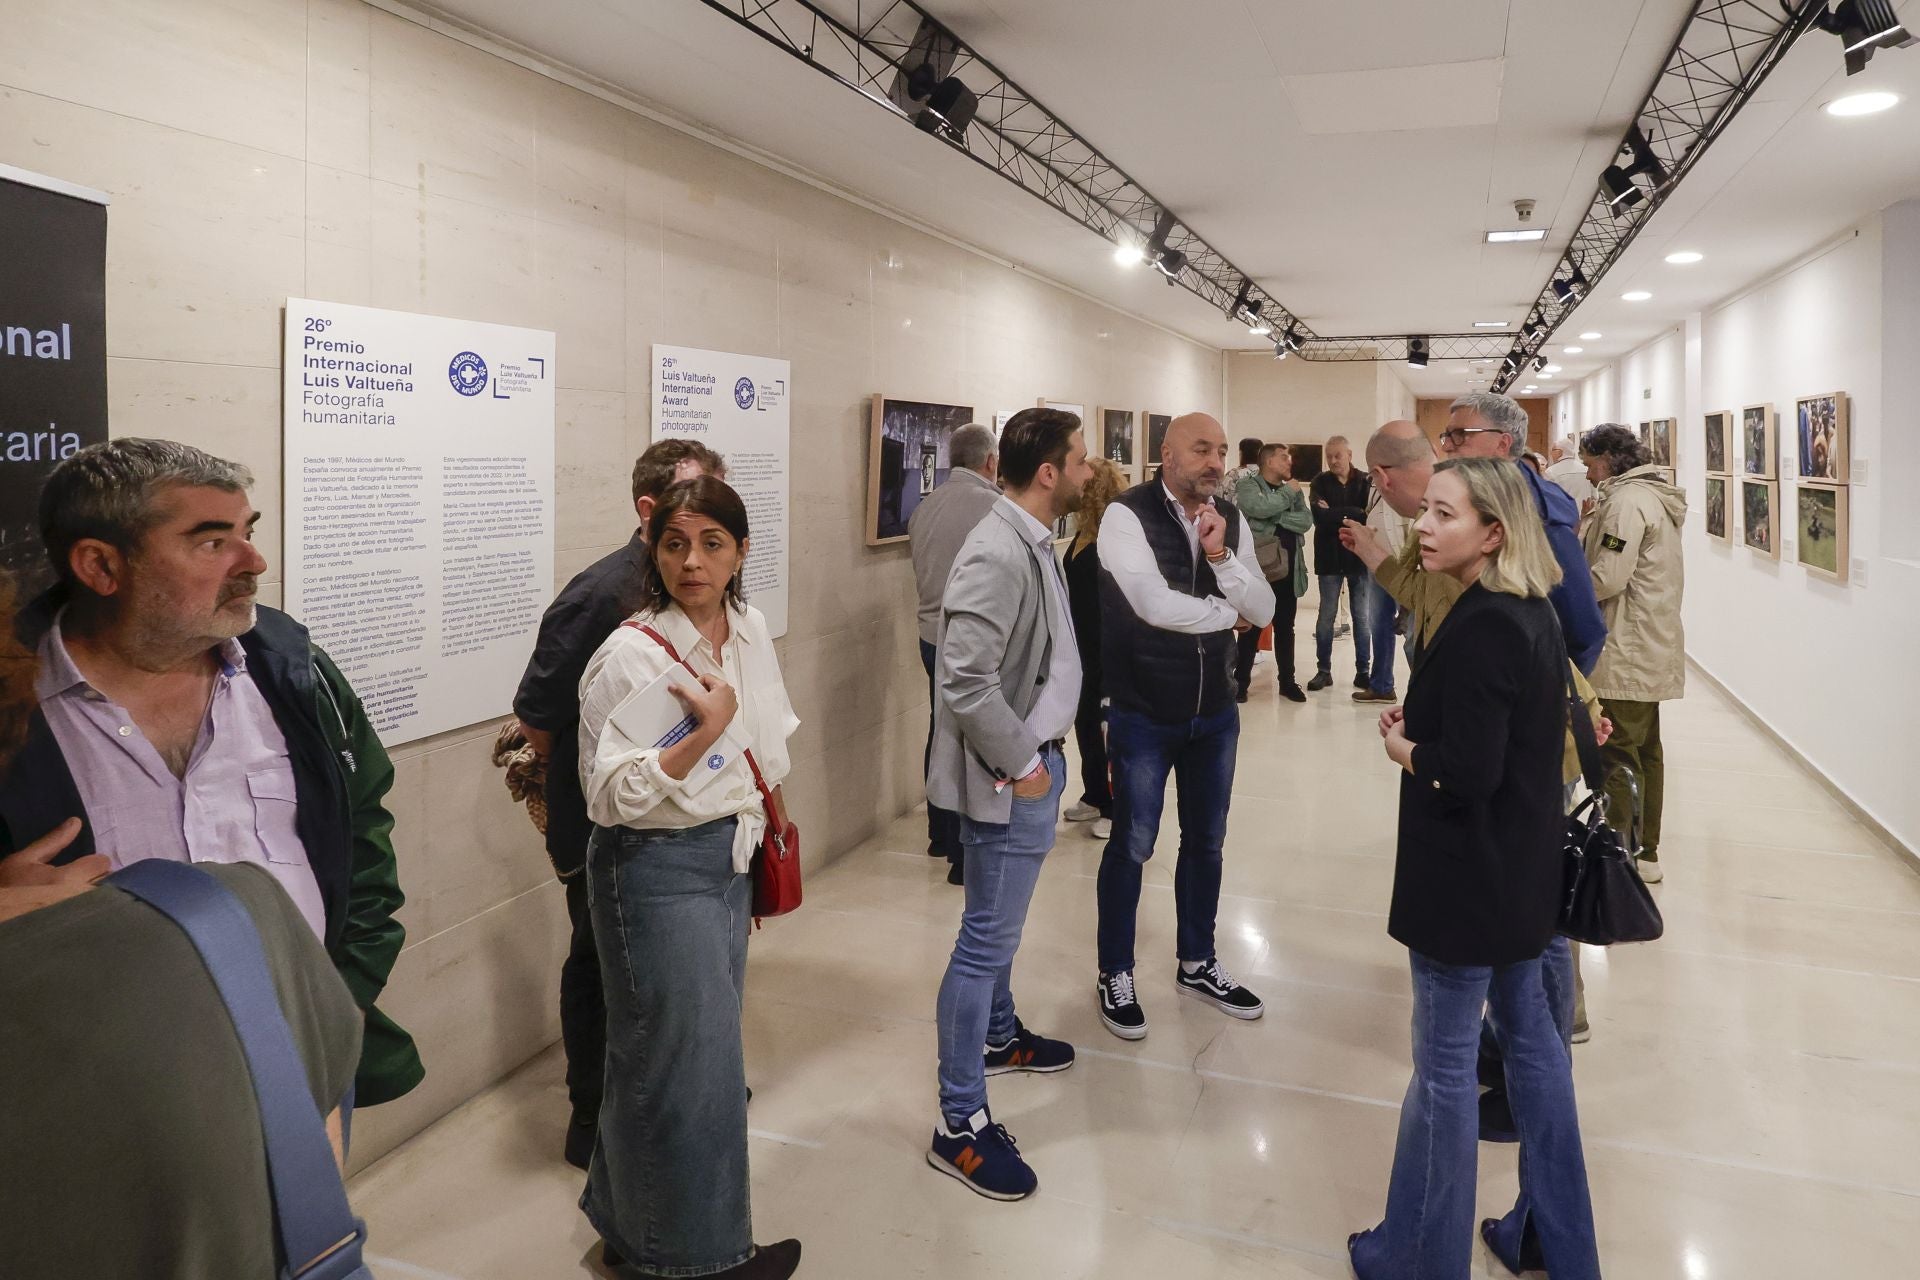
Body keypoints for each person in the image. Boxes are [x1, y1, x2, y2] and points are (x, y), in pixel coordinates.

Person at [0, 438, 421, 1109]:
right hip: (105, 1095)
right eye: (211, 541)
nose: (253, 562)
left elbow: (363, 845)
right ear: (102, 566)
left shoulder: (295, 672)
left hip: (305, 1058)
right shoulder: (13, 705)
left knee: (321, 1219)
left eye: (247, 533)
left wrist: (335, 1001)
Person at [1349, 459, 1601, 1280]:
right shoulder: (1521, 611)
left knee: (1446, 1073)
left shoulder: (1492, 620)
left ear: (1493, 532)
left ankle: (1418, 1258)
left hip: (1468, 883)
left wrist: (1405, 748)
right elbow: (1500, 731)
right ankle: (1559, 1247)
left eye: (1443, 515)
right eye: (1424, 510)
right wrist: (1422, 718)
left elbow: (1470, 771)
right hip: (1517, 877)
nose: (1422, 526)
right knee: (1535, 1053)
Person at [576, 476, 801, 1279]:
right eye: (675, 544)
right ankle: (700, 1261)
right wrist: (701, 735)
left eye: (712, 543)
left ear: (740, 551)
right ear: (654, 550)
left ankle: (631, 1228)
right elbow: (607, 795)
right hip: (651, 870)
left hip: (722, 860)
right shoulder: (630, 654)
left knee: (660, 1058)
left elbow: (771, 736)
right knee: (692, 1074)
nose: (693, 562)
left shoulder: (747, 625)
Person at [512, 436, 726, 1169]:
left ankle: (656, 1095)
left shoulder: (687, 589)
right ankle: (590, 1115)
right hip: (604, 820)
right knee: (600, 961)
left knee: (652, 970)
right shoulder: (602, 594)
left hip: (674, 819)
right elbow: (538, 719)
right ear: (647, 509)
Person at [924, 407, 1089, 1200]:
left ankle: (998, 1035)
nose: (1091, 472)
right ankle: (959, 1122)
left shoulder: (1030, 536)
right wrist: (1025, 764)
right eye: (1082, 461)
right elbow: (963, 679)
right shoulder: (996, 548)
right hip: (1008, 775)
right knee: (983, 940)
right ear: (1050, 472)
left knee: (1002, 925)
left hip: (1033, 766)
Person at [1093, 413, 1274, 1040]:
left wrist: (1222, 553)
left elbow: (1267, 607)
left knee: (1207, 843)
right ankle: (1114, 969)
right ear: (1165, 454)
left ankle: (1197, 962)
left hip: (1215, 714)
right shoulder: (1125, 515)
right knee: (1133, 844)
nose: (1215, 462)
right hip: (1144, 711)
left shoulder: (1231, 517)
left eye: (1221, 450)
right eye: (1202, 449)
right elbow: (1151, 605)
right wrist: (1229, 616)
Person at [1580, 423, 1687, 884]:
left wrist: (1561, 588)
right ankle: (1646, 851)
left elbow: (1608, 576)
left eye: (1588, 464)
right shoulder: (1650, 497)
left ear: (1607, 458)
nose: (1586, 474)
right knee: (1646, 751)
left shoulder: (1626, 503)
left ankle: (1619, 853)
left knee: (1619, 753)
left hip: (1626, 647)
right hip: (1649, 643)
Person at [908, 423, 1002, 886]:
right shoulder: (995, 508)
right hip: (971, 639)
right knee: (975, 739)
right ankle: (966, 852)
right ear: (990, 461)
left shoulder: (925, 508)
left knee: (939, 725)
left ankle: (939, 833)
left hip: (929, 635)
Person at [1063, 456, 1126, 840]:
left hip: (1106, 647)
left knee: (1108, 729)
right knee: (1085, 722)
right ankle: (1094, 793)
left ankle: (1115, 806)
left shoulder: (1112, 539)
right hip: (1082, 648)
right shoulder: (1083, 534)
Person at [1233, 442, 1312, 703]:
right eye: (1283, 457)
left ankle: (1287, 682)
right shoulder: (1248, 485)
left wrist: (1275, 517)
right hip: (1259, 570)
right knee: (1252, 627)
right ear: (1268, 461)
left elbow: (1306, 520)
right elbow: (1256, 509)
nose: (1289, 462)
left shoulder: (1292, 489)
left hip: (1289, 570)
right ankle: (1240, 683)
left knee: (1285, 628)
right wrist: (1286, 497)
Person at [1307, 435, 1373, 692]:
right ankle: (1323, 671)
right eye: (1329, 456)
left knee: (1361, 617)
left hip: (1359, 557)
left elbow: (1368, 516)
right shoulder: (1319, 482)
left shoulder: (1366, 481)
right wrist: (1354, 513)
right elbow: (1320, 519)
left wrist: (1337, 512)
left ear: (1349, 455)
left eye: (1338, 455)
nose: (1333, 461)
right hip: (1329, 557)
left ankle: (1363, 671)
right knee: (1326, 616)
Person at [1355, 480, 1412, 704]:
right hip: (1377, 568)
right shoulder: (1372, 485)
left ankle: (1426, 696)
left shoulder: (1407, 486)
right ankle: (1381, 686)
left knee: (1412, 635)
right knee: (1379, 626)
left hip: (1403, 569)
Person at [1545, 433, 1595, 509]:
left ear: (1559, 452)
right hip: (1585, 516)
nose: (1551, 454)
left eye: (1552, 450)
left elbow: (1547, 499)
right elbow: (1594, 495)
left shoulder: (1551, 472)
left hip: (1563, 517)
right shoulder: (1586, 470)